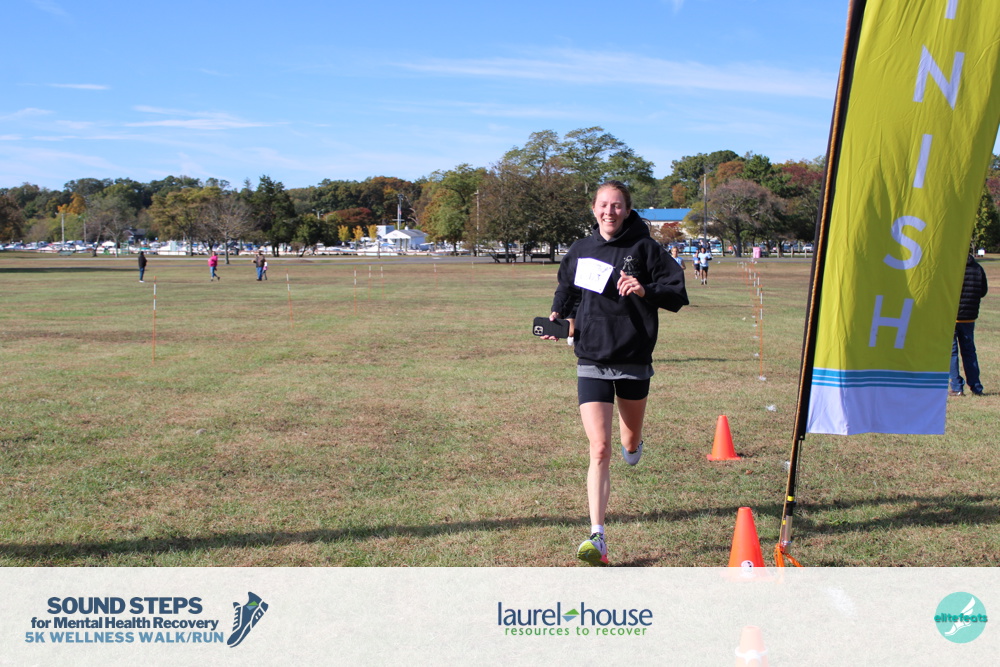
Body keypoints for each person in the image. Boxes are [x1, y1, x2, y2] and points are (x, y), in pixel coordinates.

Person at [543, 180, 688, 565]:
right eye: (604, 205)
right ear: (594, 209)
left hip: (633, 356)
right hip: (592, 355)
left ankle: (635, 444)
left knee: (628, 439)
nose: (610, 211)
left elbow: (676, 292)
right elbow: (568, 290)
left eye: (617, 205)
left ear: (627, 209)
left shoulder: (646, 248)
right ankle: (598, 535)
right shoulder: (582, 249)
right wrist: (560, 316)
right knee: (600, 447)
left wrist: (644, 289)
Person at [949, 252, 988, 396]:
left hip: (952, 316)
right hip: (969, 317)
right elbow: (983, 291)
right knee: (969, 352)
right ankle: (976, 386)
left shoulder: (952, 268)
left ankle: (957, 387)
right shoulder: (978, 268)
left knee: (952, 352)